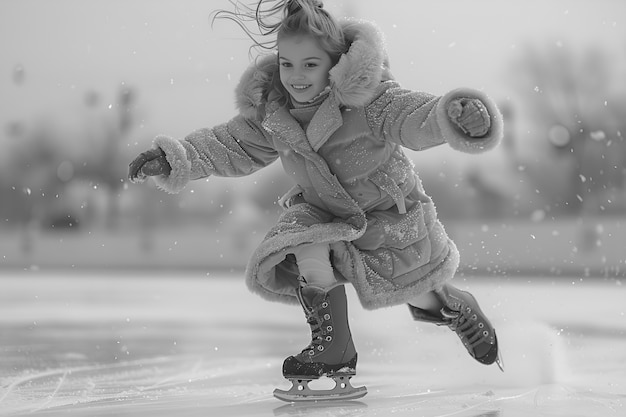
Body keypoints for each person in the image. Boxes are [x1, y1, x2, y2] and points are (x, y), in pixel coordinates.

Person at [129, 0, 504, 401]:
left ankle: (453, 305)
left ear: (335, 62)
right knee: (298, 231)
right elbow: (230, 144)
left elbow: (414, 118)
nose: (296, 76)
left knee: (416, 290)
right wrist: (176, 158)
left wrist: (454, 116)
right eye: (287, 64)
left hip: (388, 220)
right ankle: (333, 347)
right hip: (327, 214)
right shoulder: (275, 113)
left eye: (310, 64)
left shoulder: (371, 99)